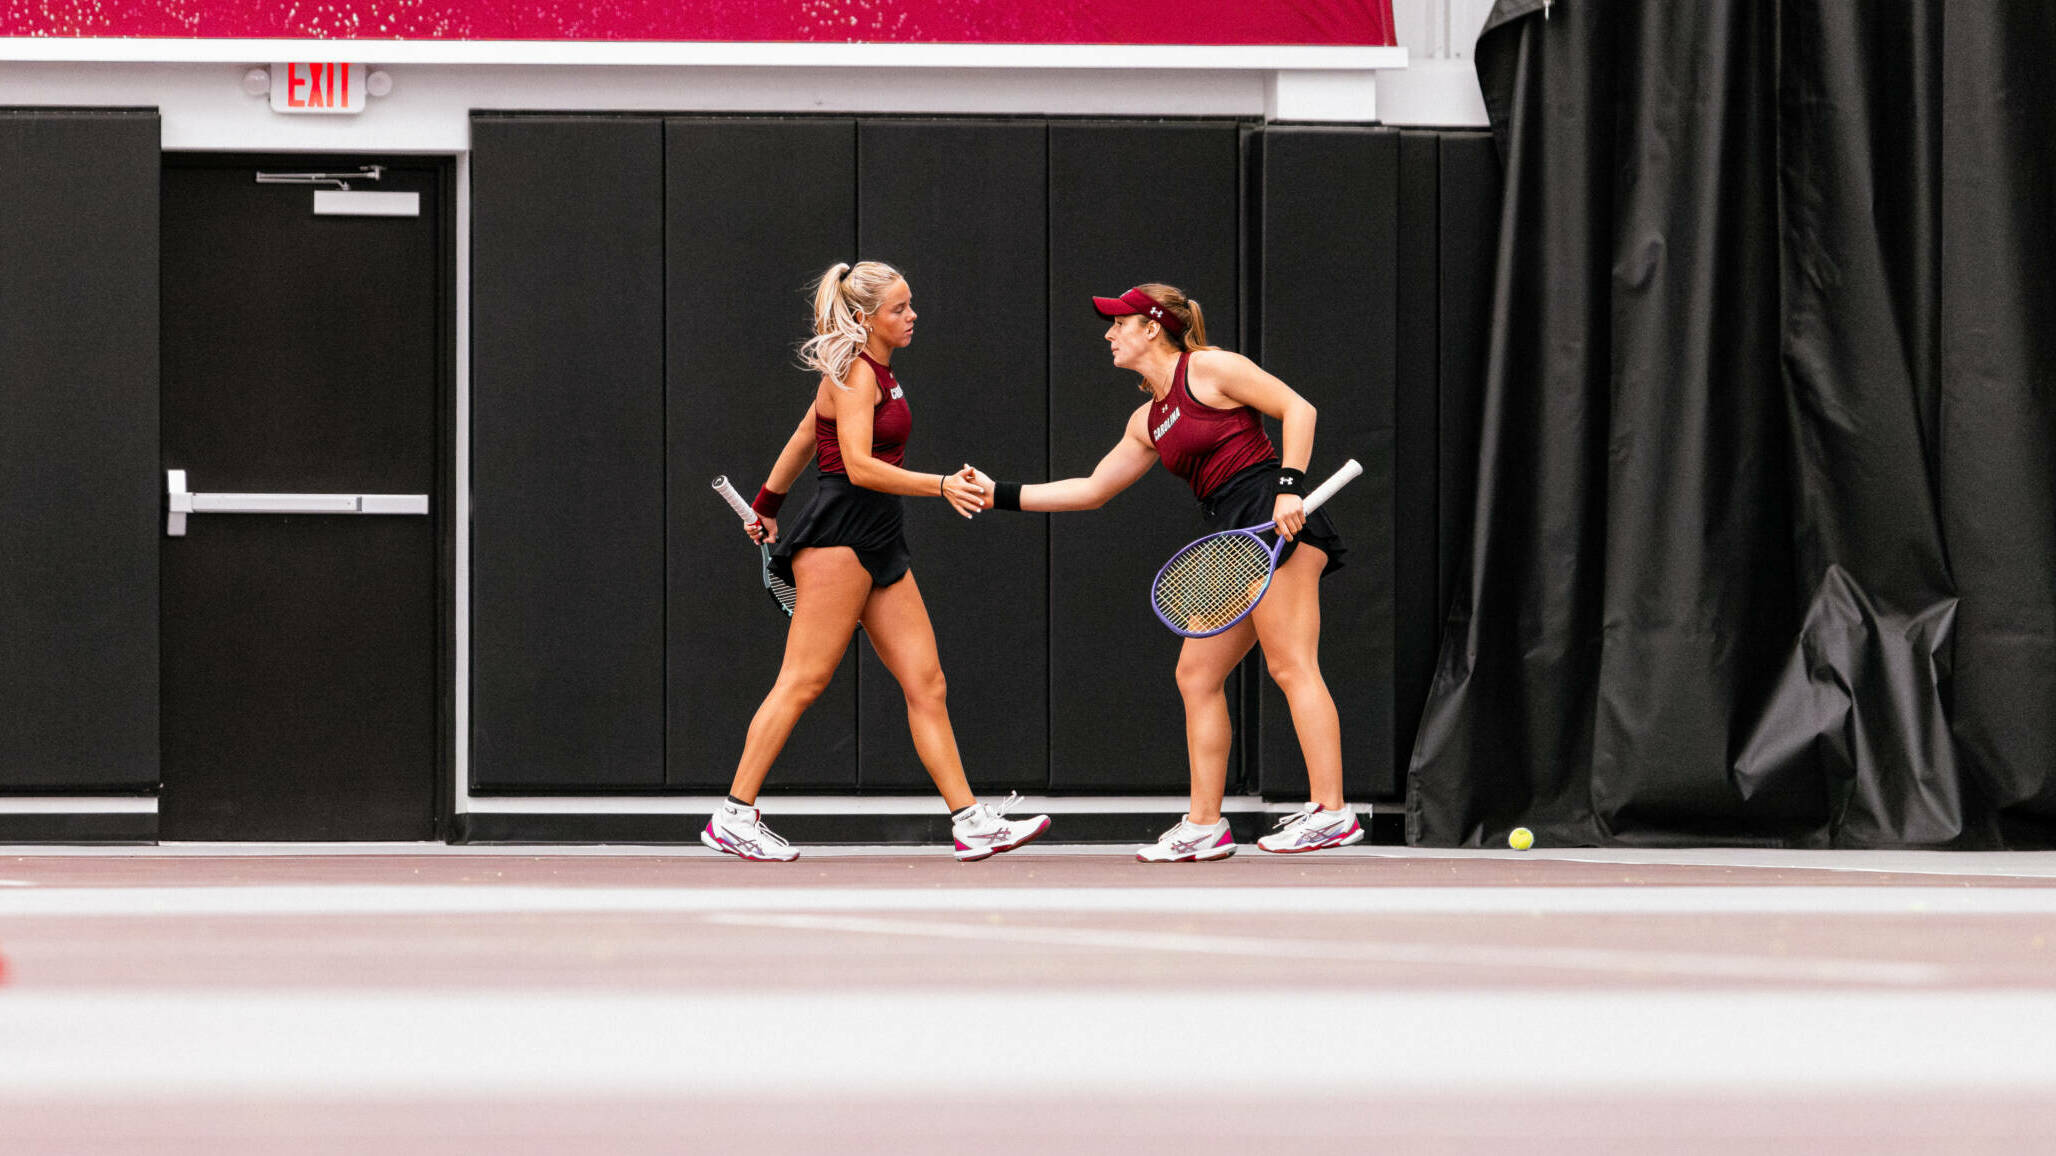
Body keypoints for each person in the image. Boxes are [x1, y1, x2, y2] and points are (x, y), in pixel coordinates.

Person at [966, 283, 1358, 862]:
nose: (1108, 334)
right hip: (1230, 538)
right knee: (1196, 676)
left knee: (1290, 663)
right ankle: (1205, 826)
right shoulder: (1148, 420)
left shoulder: (1212, 368)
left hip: (1275, 520)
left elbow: (1299, 409)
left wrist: (1289, 488)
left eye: (1118, 324)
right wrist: (997, 493)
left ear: (1152, 326)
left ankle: (1331, 812)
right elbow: (1093, 489)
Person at [705, 261, 1051, 862]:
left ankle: (970, 821)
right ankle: (734, 816)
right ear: (865, 318)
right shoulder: (854, 375)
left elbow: (804, 438)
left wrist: (765, 504)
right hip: (840, 537)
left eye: (910, 303)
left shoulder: (880, 375)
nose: (912, 315)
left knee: (927, 682)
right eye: (899, 308)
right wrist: (941, 485)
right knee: (804, 680)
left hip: (881, 537)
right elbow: (858, 466)